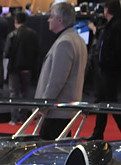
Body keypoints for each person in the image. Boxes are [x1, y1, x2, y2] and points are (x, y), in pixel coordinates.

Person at [35, 1, 88, 139]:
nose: (48, 19)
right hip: (65, 108)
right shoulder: (77, 39)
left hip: (57, 110)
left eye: (51, 16)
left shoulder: (65, 42)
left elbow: (56, 80)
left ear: (60, 20)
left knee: (47, 152)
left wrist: (43, 105)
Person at [88, 0, 121, 140]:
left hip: (110, 70)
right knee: (103, 102)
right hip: (105, 69)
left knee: (110, 103)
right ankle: (98, 133)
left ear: (108, 10)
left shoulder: (117, 26)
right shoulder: (110, 25)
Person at [5, 10, 39, 123]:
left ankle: (14, 118)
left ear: (16, 21)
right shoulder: (33, 34)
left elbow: (7, 53)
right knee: (25, 93)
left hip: (14, 68)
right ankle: (23, 117)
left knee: (14, 93)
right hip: (27, 68)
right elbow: (37, 51)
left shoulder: (12, 35)